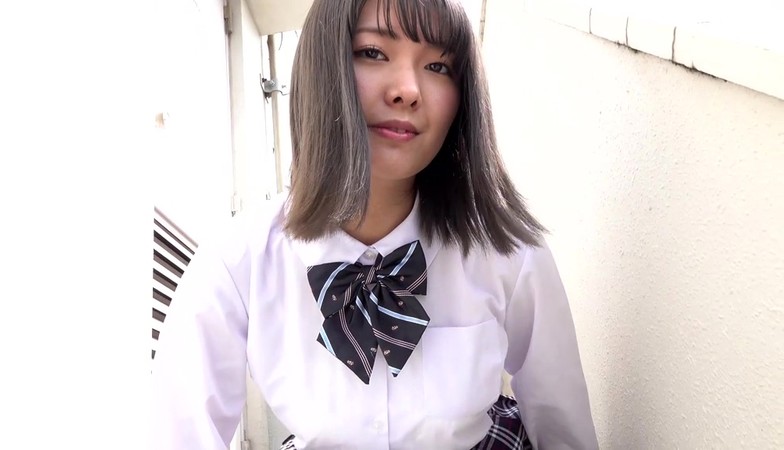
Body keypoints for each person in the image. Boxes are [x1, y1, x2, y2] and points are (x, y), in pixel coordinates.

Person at [150, 0, 598, 448]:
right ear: (323, 66)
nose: (408, 90)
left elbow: (565, 430)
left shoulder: (507, 252)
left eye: (438, 66)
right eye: (373, 53)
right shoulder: (237, 262)